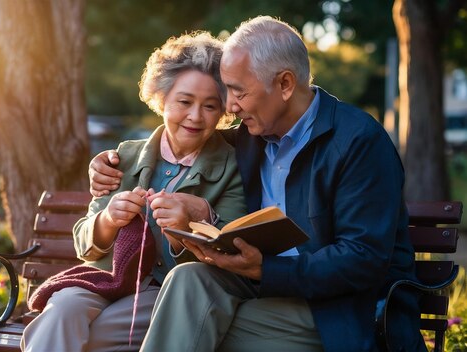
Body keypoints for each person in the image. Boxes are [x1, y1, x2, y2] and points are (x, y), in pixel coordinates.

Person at [89, 16, 425, 351]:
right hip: (261, 287)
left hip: (339, 310)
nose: (230, 107)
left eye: (238, 91)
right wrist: (115, 161)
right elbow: (186, 137)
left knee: (188, 326)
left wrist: (268, 269)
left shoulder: (358, 142)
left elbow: (363, 258)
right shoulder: (252, 136)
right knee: (188, 279)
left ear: (285, 85)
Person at [20, 31, 247, 352]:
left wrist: (182, 231)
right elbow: (85, 243)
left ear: (223, 110)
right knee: (62, 310)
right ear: (162, 98)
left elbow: (228, 251)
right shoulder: (123, 157)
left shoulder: (232, 167)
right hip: (106, 280)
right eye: (184, 102)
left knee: (88, 336)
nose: (196, 116)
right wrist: (108, 220)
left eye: (210, 106)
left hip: (167, 290)